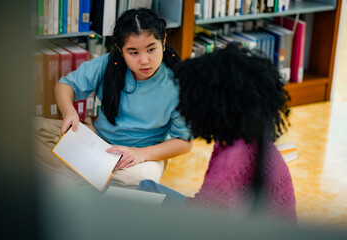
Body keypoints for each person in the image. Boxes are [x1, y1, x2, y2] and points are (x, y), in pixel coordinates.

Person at [139, 44, 297, 222]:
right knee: (147, 187)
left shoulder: (228, 165)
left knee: (143, 197)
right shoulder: (245, 135)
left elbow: (204, 224)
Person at [53, 8, 192, 187]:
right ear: (120, 50)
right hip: (98, 142)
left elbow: (184, 142)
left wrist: (140, 154)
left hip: (143, 155)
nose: (144, 60)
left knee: (142, 179)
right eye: (133, 52)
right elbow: (65, 85)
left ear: (163, 42)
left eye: (151, 49)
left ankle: (83, 175)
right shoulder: (106, 64)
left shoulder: (178, 85)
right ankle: (91, 175)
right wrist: (69, 111)